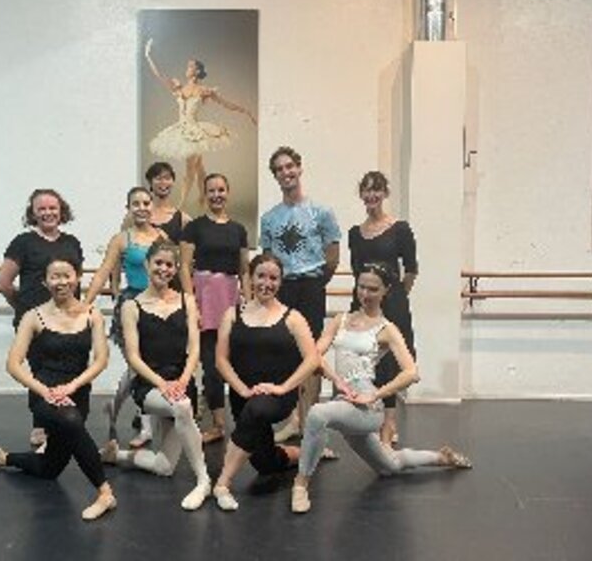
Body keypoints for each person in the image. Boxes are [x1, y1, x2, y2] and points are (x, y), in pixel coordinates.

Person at [290, 264, 471, 514]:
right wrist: (336, 380)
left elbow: (411, 372)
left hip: (367, 409)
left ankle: (300, 486)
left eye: (373, 289)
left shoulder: (386, 329)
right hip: (343, 402)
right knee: (390, 466)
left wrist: (375, 394)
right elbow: (314, 355)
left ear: (386, 290)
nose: (365, 293)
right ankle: (441, 457)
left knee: (317, 414)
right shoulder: (340, 321)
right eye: (361, 286)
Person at [0, 257, 116, 521]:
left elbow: (101, 360)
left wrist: (73, 386)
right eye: (54, 277)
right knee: (71, 420)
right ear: (45, 281)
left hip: (77, 392)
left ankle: (3, 458)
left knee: (50, 468)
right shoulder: (33, 316)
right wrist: (44, 391)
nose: (61, 282)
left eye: (66, 276)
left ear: (77, 277)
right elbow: (13, 364)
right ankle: (104, 493)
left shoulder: (92, 315)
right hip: (44, 395)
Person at [100, 240, 212, 510]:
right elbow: (134, 357)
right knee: (182, 406)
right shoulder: (131, 306)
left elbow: (195, 347)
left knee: (164, 466)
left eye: (169, 264)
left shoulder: (187, 301)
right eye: (158, 263)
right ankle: (204, 480)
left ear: (175, 269)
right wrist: (163, 384)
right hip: (149, 385)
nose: (163, 269)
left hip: (181, 381)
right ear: (147, 265)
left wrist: (184, 380)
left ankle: (118, 456)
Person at [212, 254, 319, 511]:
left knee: (258, 409)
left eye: (273, 278)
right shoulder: (232, 314)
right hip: (243, 396)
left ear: (280, 282)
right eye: (261, 276)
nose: (266, 283)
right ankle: (302, 453)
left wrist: (283, 387)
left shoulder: (293, 318)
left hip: (277, 397)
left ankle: (221, 484)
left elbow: (313, 360)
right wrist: (241, 389)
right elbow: (221, 360)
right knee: (265, 463)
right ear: (250, 277)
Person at [259, 146, 341, 443]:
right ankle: (294, 418)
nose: (286, 173)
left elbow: (332, 255)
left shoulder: (321, 212)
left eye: (290, 166)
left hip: (310, 285)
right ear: (275, 176)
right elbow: (267, 260)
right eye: (280, 169)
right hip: (283, 288)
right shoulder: (269, 219)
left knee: (311, 354)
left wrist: (316, 281)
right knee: (285, 353)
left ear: (299, 168)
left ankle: (311, 424)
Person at [0, 189, 84, 448]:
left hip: (67, 320)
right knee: (40, 373)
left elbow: (76, 281)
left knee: (68, 370)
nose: (48, 213)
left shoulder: (72, 242)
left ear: (61, 210)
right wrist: (24, 309)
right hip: (36, 322)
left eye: (52, 208)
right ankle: (40, 423)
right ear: (32, 213)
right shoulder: (22, 242)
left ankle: (67, 418)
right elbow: (4, 283)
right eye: (41, 209)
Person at [84, 187, 166, 448]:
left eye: (145, 202)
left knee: (143, 365)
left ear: (152, 206)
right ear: (128, 207)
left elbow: (171, 271)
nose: (141, 207)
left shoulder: (162, 237)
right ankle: (144, 427)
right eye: (135, 203)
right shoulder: (122, 239)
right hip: (131, 304)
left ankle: (114, 407)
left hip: (155, 305)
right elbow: (103, 272)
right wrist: (85, 303)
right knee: (137, 364)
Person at [179, 173, 250, 443]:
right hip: (205, 297)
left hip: (230, 297)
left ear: (228, 192)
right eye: (212, 190)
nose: (217, 194)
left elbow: (244, 269)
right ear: (205, 194)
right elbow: (185, 267)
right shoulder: (194, 227)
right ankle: (219, 424)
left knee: (236, 361)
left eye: (221, 189)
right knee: (211, 363)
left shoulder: (238, 229)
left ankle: (243, 421)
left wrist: (249, 301)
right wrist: (192, 302)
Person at [144, 38, 257, 208]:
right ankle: (203, 201)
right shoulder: (179, 88)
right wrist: (148, 55)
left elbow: (226, 104)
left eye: (190, 66)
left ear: (197, 71)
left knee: (191, 170)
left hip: (195, 132)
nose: (187, 69)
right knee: (199, 168)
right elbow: (159, 76)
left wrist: (247, 111)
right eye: (187, 66)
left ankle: (180, 207)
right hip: (181, 130)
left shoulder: (204, 91)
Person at [348, 171, 418, 445]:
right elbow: (356, 272)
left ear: (385, 193)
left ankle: (389, 423)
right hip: (364, 301)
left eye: (376, 190)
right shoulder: (355, 233)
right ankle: (370, 416)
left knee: (390, 362)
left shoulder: (400, 228)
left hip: (392, 303)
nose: (371, 195)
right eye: (366, 190)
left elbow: (410, 269)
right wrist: (367, 298)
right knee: (366, 358)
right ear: (361, 195)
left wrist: (394, 296)